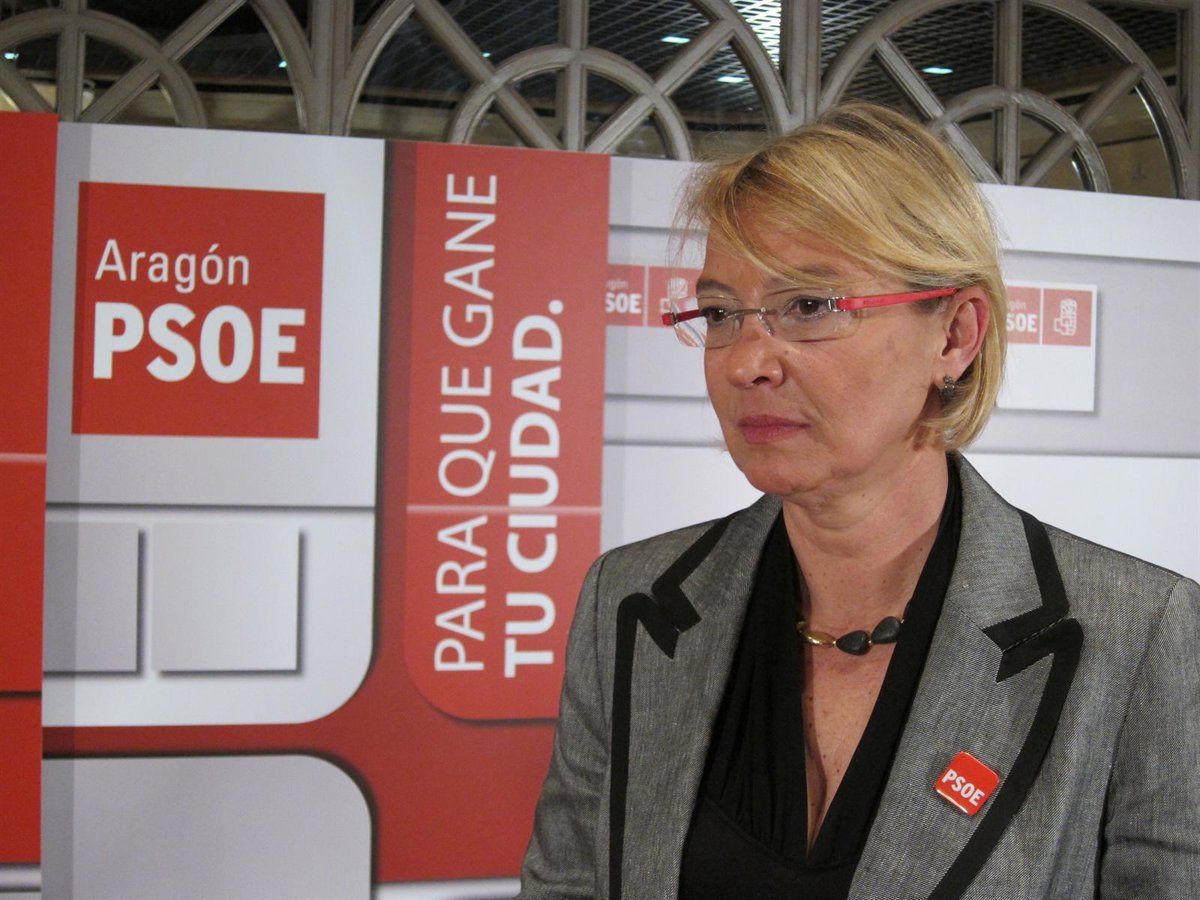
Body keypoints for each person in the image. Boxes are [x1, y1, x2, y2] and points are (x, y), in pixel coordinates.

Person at [517, 103, 1200, 898]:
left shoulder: (1137, 635)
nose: (745, 363)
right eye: (721, 314)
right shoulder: (632, 603)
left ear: (955, 336)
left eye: (810, 306)